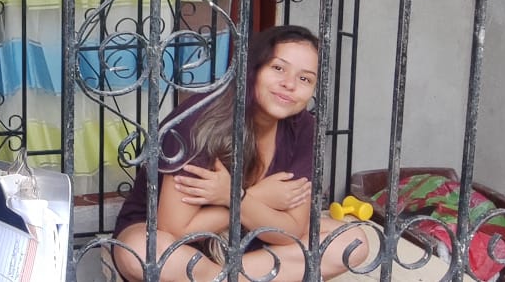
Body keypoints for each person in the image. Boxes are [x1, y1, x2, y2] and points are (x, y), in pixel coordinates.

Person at [112, 25, 371, 281]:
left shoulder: (304, 128)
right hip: (182, 246)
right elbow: (175, 230)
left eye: (305, 79)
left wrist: (235, 197)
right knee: (143, 252)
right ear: (253, 69)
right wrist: (257, 196)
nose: (289, 84)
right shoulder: (202, 120)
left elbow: (291, 229)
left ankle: (223, 278)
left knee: (353, 241)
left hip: (254, 241)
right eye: (278, 68)